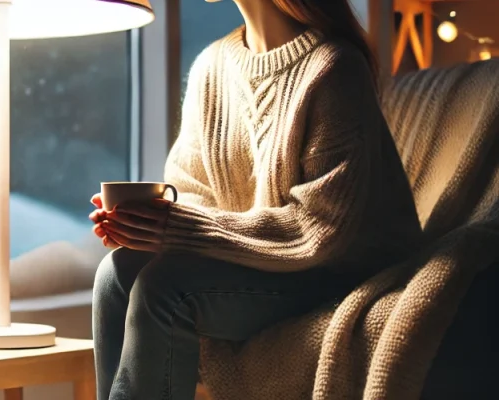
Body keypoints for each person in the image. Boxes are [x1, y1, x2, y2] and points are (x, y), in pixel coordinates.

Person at [88, 0, 423, 399]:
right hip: (255, 265)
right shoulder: (212, 67)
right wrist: (146, 228)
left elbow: (318, 229)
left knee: (166, 289)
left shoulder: (334, 67)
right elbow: (193, 193)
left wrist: (175, 229)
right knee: (116, 272)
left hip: (337, 271)